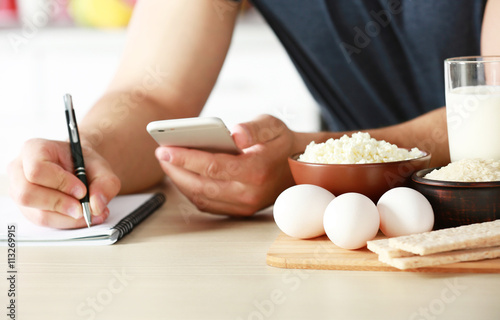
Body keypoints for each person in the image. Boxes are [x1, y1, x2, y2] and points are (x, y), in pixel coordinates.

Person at [8, 0, 500, 229]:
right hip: (346, 233)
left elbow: (493, 107)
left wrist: (309, 162)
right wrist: (91, 148)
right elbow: (149, 93)